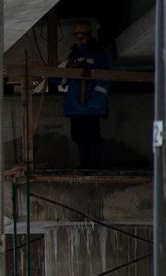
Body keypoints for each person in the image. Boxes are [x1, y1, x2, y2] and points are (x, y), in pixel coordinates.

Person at [60, 20, 111, 169]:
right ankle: (86, 167)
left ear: (88, 35)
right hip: (76, 106)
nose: (79, 38)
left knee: (91, 136)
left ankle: (94, 167)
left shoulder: (98, 54)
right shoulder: (74, 54)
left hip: (90, 106)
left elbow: (105, 79)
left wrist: (94, 100)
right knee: (78, 136)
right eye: (77, 36)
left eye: (81, 36)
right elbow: (63, 79)